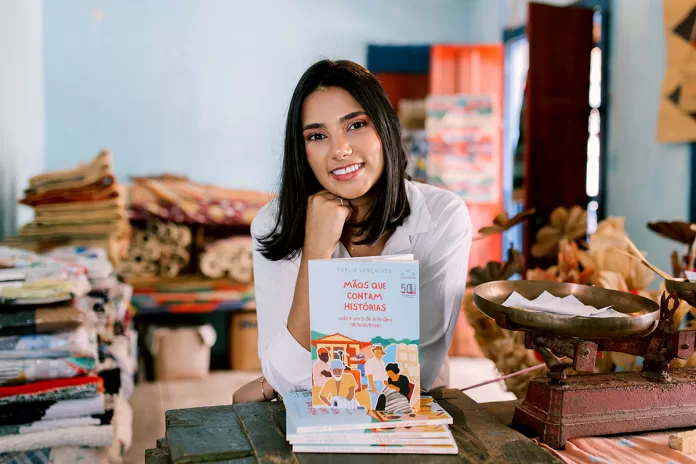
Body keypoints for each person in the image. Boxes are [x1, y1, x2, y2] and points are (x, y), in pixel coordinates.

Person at [233, 59, 472, 403]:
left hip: (406, 412)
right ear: (303, 151)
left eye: (356, 125)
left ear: (385, 127)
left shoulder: (441, 218)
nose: (339, 150)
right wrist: (315, 250)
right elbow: (287, 375)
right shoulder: (275, 223)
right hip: (309, 421)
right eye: (317, 135)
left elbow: (416, 368)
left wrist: (273, 383)